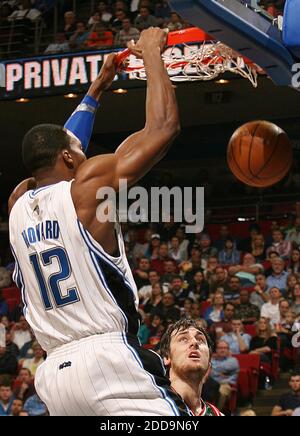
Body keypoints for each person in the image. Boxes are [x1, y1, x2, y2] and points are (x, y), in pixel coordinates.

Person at [8, 28, 189, 416]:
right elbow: (163, 129)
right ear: (72, 160)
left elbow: (62, 148)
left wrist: (97, 89)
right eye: (79, 152)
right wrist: (153, 53)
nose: (85, 153)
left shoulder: (17, 202)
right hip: (107, 360)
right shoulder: (87, 190)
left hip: (54, 374)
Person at [160, 318, 223, 416]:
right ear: (167, 357)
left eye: (200, 340)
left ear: (209, 364)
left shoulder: (217, 414)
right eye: (183, 339)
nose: (195, 343)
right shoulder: (150, 406)